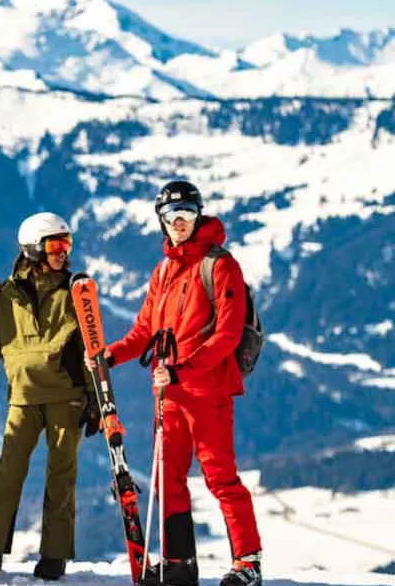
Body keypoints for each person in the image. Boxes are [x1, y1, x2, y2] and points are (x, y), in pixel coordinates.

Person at [89, 180, 262, 586]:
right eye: (169, 215)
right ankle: (179, 563)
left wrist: (183, 368)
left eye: (185, 212)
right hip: (168, 394)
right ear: (161, 222)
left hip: (208, 391)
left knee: (221, 478)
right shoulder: (164, 271)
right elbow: (144, 330)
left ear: (198, 213)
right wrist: (110, 355)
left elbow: (228, 335)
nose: (178, 221)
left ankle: (247, 562)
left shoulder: (220, 265)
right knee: (168, 479)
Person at [0, 212, 100, 581]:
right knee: (8, 473)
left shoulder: (74, 290)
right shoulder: (6, 295)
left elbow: (91, 345)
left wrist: (97, 398)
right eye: (55, 245)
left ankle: (54, 556)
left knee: (61, 477)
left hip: (65, 395)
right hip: (22, 395)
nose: (63, 253)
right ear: (34, 248)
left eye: (66, 245)